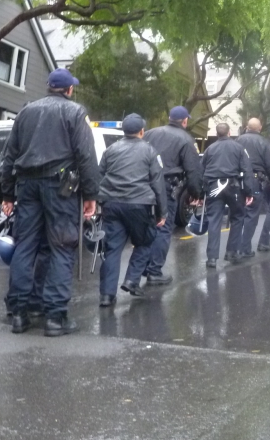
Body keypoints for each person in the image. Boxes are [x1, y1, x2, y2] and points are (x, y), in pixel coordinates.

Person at [1, 68, 99, 337]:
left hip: (27, 185)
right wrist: (91, 195)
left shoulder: (26, 112)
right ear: (69, 90)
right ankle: (55, 316)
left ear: (48, 87)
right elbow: (86, 156)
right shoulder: (75, 113)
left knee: (25, 246)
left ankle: (19, 313)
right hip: (61, 187)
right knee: (62, 247)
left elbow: (9, 156)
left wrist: (8, 194)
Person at [97, 114, 168, 307]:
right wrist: (163, 212)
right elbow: (157, 183)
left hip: (111, 203)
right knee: (145, 241)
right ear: (142, 131)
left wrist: (98, 200)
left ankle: (106, 295)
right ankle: (131, 280)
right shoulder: (149, 151)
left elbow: (99, 174)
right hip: (139, 204)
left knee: (112, 249)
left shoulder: (111, 149)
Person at [143, 105, 203, 285]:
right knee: (163, 227)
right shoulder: (186, 139)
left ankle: (143, 266)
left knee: (148, 227)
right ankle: (154, 271)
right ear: (185, 121)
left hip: (144, 185)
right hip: (167, 186)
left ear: (169, 117)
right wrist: (195, 194)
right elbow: (193, 171)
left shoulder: (150, 133)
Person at [202, 123, 254, 267]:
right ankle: (231, 252)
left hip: (213, 186)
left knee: (214, 220)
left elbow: (202, 169)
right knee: (237, 216)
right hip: (233, 186)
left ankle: (212, 258)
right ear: (229, 133)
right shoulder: (238, 148)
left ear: (217, 133)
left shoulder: (209, 149)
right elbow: (247, 170)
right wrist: (249, 192)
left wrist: (201, 192)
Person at [237, 118, 270, 256]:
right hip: (255, 180)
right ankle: (245, 248)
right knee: (251, 214)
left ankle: (233, 248)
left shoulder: (238, 140)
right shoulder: (264, 143)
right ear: (260, 128)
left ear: (247, 127)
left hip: (238, 181)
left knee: (239, 214)